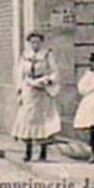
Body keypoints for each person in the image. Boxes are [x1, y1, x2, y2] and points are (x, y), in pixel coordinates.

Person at [11, 31, 61, 162]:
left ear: (41, 42)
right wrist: (20, 90)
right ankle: (28, 151)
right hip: (29, 90)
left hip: (42, 91)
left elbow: (55, 72)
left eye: (37, 42)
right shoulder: (25, 56)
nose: (35, 44)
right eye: (32, 42)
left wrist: (48, 80)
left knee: (42, 120)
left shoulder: (47, 55)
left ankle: (43, 152)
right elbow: (19, 74)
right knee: (27, 119)